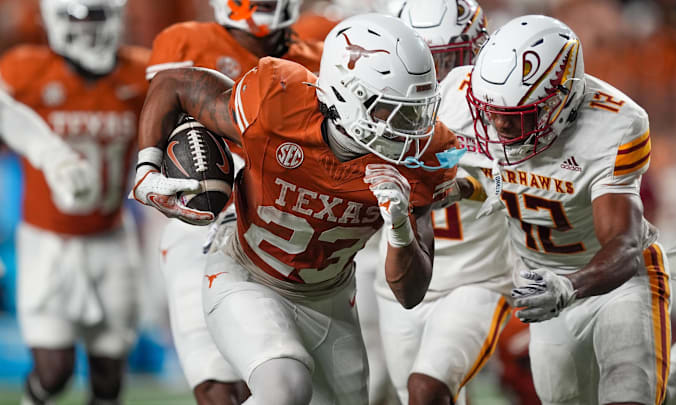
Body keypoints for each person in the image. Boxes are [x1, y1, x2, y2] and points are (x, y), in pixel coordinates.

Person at [130, 13, 459, 405]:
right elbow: (175, 84)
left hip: (332, 300)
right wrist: (146, 169)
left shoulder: (425, 154)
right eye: (394, 111)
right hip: (248, 274)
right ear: (348, 95)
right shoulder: (279, 103)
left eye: (417, 111)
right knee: (284, 389)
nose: (412, 130)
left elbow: (410, 294)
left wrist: (400, 228)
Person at [464, 14, 676, 405]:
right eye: (492, 112)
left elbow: (623, 243)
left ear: (561, 100)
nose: (500, 127)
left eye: (518, 116)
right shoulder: (476, 110)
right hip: (542, 279)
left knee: (625, 392)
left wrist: (570, 286)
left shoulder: (614, 124)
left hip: (617, 280)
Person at [145, 0, 323, 403]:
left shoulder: (318, 54)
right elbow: (164, 113)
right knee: (216, 384)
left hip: (282, 232)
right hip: (203, 224)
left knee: (267, 377)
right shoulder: (186, 40)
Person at [0, 0, 149, 403]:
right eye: (78, 17)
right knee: (54, 370)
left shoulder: (141, 73)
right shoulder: (25, 69)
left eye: (98, 15)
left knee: (109, 374)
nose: (88, 30)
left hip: (113, 236)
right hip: (47, 242)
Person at [374, 2, 513, 405]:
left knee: (427, 389)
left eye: (450, 59)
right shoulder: (374, 103)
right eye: (425, 60)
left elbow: (516, 181)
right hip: (400, 275)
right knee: (417, 395)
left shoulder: (498, 102)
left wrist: (463, 186)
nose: (438, 76)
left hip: (475, 277)